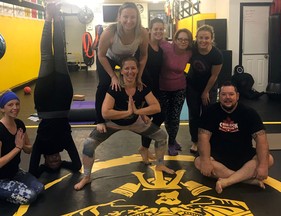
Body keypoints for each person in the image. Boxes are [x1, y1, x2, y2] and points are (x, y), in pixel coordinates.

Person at [74, 57, 175, 190]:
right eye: (126, 68)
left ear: (138, 70)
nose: (130, 71)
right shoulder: (115, 88)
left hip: (135, 122)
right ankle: (86, 177)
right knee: (88, 145)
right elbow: (105, 113)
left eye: (133, 68)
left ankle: (160, 164)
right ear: (121, 71)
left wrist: (138, 111)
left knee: (161, 136)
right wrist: (127, 113)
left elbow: (156, 107)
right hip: (113, 123)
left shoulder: (142, 87)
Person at [28, 3, 81, 178]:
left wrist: (43, 168)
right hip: (63, 99)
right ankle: (56, 18)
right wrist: (64, 165)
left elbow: (33, 171)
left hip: (44, 103)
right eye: (58, 161)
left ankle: (48, 18)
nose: (56, 160)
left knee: (46, 56)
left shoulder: (40, 146)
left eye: (52, 162)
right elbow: (77, 164)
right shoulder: (64, 143)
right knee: (60, 55)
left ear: (44, 160)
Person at [194, 81, 274, 194]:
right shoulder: (210, 112)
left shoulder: (249, 113)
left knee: (268, 159)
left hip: (243, 155)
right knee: (199, 162)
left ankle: (227, 181)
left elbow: (262, 141)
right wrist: (206, 161)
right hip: (218, 156)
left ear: (237, 96)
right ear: (219, 96)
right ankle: (247, 180)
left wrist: (263, 165)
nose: (227, 97)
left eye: (231, 94)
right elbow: (203, 138)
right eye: (224, 94)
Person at [95, 2, 149, 135]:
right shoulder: (109, 32)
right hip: (108, 58)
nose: (129, 21)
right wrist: (113, 76)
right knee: (104, 84)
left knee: (146, 80)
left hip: (128, 58)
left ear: (137, 18)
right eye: (125, 17)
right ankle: (99, 119)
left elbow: (143, 55)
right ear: (119, 17)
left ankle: (141, 112)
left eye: (133, 17)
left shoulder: (142, 32)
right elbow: (101, 55)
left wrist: (139, 76)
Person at [0, 90, 44, 204]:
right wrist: (17, 148)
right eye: (10, 105)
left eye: (17, 104)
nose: (15, 107)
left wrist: (23, 145)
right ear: (2, 109)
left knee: (39, 188)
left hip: (15, 172)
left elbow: (29, 149)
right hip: (1, 178)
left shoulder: (19, 124)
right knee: (31, 196)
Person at [186, 24, 223, 153]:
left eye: (206, 38)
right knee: (194, 115)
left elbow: (214, 75)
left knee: (208, 114)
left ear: (211, 39)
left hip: (209, 87)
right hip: (192, 86)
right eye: (200, 38)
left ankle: (207, 140)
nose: (203, 40)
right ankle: (195, 141)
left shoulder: (216, 54)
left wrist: (206, 92)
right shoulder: (193, 48)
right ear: (196, 38)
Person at [159, 28, 193, 156]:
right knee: (167, 117)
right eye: (180, 39)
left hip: (180, 88)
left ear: (189, 41)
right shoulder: (165, 47)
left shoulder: (189, 53)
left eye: (186, 39)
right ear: (175, 39)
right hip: (163, 88)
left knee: (175, 117)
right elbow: (152, 38)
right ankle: (172, 138)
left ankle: (172, 142)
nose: (183, 41)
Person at [139, 18, 165, 164]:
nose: (158, 31)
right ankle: (144, 148)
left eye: (161, 29)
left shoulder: (160, 50)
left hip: (156, 88)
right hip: (145, 88)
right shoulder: (144, 47)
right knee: (148, 119)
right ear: (150, 30)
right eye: (156, 29)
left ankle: (144, 147)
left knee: (161, 115)